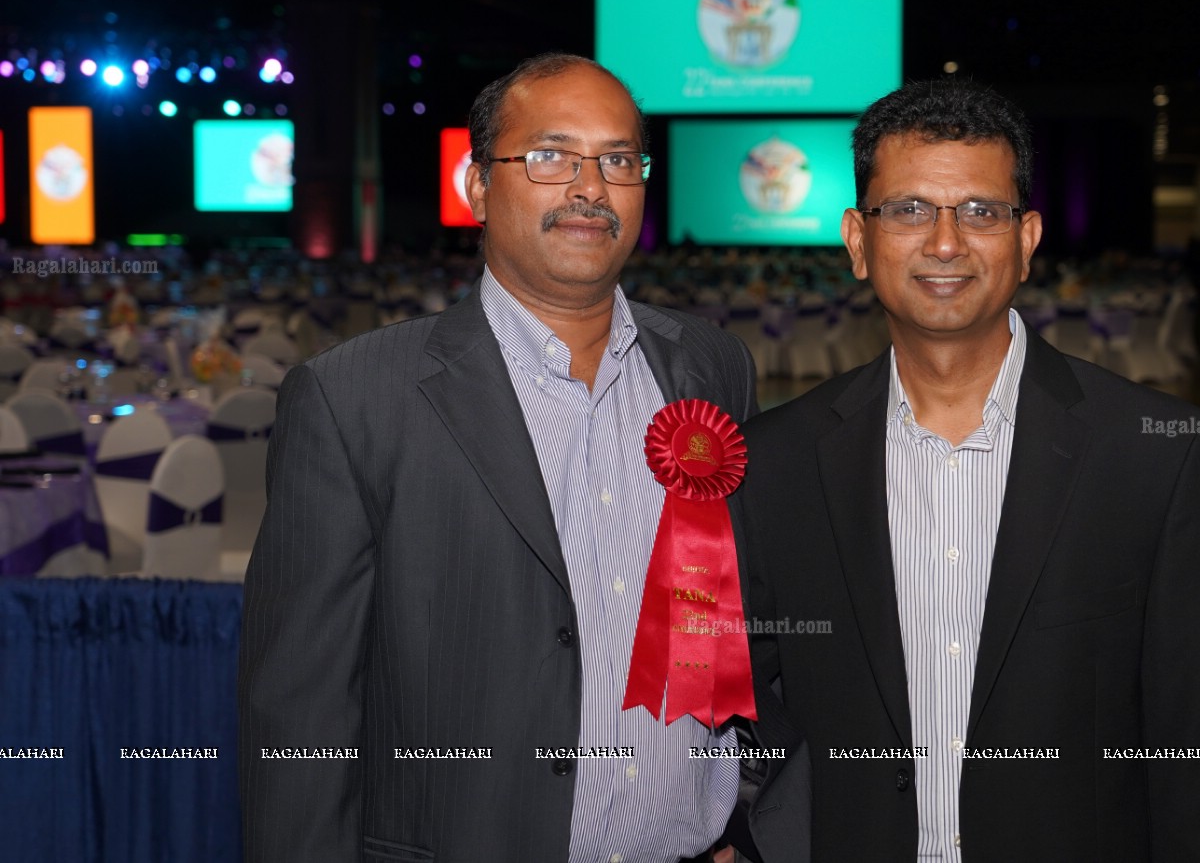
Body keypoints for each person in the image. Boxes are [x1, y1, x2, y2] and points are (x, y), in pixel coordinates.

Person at [239, 53, 802, 863]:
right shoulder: (354, 399)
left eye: (617, 160)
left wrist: (746, 820)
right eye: (550, 156)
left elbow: (736, 630)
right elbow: (299, 713)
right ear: (476, 185)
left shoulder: (710, 365)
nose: (589, 187)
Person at [738, 79, 1200, 861]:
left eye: (980, 211)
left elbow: (1192, 745)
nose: (945, 242)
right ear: (855, 239)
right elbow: (744, 706)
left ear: (1026, 238)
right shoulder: (775, 460)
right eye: (907, 210)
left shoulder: (1156, 452)